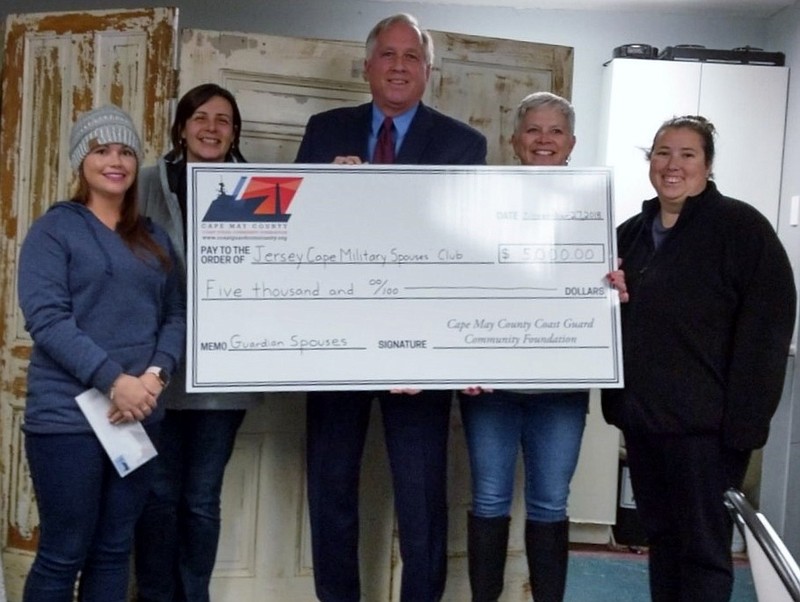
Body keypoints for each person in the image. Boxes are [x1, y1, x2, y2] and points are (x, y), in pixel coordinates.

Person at [295, 13, 487, 602]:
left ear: (428, 72)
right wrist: (326, 190)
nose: (399, 66)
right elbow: (291, 237)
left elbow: (468, 249)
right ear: (367, 66)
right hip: (337, 345)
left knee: (422, 498)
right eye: (388, 55)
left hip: (420, 353)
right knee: (331, 493)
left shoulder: (463, 143)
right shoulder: (325, 131)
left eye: (412, 57)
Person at [601, 115, 796, 602]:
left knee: (705, 552)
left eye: (688, 155)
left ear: (707, 166)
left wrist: (747, 426)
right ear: (650, 161)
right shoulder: (629, 235)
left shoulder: (741, 229)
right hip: (645, 423)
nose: (673, 165)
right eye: (663, 152)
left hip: (709, 434)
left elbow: (769, 327)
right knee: (662, 541)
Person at [460, 91, 626, 602]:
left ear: (572, 142)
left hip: (560, 388)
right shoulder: (478, 199)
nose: (544, 140)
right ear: (514, 140)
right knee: (488, 500)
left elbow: (607, 284)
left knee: (551, 503)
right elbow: (456, 279)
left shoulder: (593, 209)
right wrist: (453, 353)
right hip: (490, 386)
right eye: (533, 129)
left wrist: (616, 288)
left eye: (555, 131)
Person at [17, 105, 185, 602]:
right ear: (81, 161)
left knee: (114, 549)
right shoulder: (55, 231)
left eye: (126, 151)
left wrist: (152, 379)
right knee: (63, 553)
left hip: (138, 417)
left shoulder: (154, 237)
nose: (116, 161)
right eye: (102, 150)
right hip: (67, 422)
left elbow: (175, 315)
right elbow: (48, 320)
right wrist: (117, 381)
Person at [134, 83, 262, 602]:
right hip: (152, 372)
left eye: (224, 120)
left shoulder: (253, 190)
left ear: (235, 133)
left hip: (221, 377)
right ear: (182, 126)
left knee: (201, 500)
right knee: (159, 498)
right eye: (201, 117)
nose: (212, 128)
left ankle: (195, 596)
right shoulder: (143, 183)